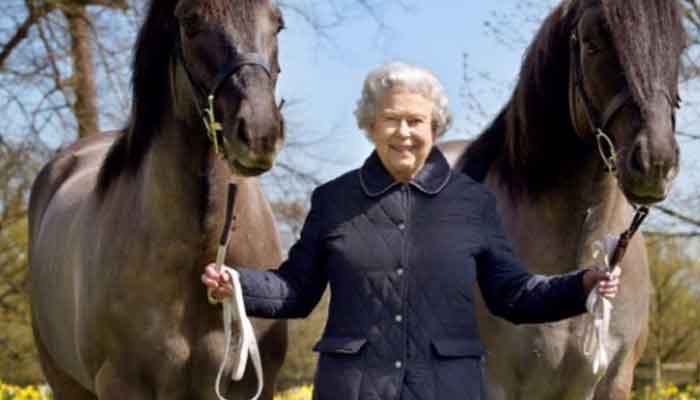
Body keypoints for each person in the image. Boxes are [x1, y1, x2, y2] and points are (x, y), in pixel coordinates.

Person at [202, 62, 620, 400]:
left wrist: (581, 285)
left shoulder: (473, 204)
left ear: (433, 127)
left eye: (415, 121)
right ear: (371, 125)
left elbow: (511, 294)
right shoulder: (333, 200)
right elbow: (296, 289)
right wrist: (239, 285)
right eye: (391, 120)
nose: (404, 133)